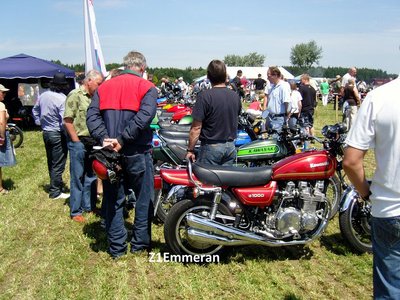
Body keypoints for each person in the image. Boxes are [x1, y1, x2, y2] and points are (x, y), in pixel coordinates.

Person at [86, 51, 157, 259]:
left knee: (113, 199)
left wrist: (105, 138)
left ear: (125, 65)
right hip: (137, 151)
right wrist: (123, 139)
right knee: (143, 199)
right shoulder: (147, 87)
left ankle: (116, 247)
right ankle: (139, 245)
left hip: (110, 154)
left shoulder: (105, 87)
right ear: (142, 69)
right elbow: (145, 117)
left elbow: (91, 116)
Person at [342, 77, 400, 299]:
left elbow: (351, 161)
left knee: (390, 289)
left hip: (390, 207)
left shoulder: (380, 96)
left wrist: (365, 192)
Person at [63, 70, 104, 223]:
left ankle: (90, 205)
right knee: (77, 176)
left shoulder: (96, 98)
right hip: (79, 141)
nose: (100, 87)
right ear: (89, 81)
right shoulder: (75, 95)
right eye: (99, 84)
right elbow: (67, 120)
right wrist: (76, 142)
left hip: (92, 142)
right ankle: (76, 211)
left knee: (92, 175)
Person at [186, 59, 241, 166]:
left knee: (207, 182)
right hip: (230, 146)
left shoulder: (204, 96)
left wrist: (190, 150)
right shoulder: (235, 96)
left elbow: (196, 128)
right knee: (225, 181)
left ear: (208, 76)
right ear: (225, 75)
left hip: (211, 146)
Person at [32, 73, 70, 200]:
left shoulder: (43, 95)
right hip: (57, 134)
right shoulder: (62, 99)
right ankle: (55, 191)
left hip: (46, 132)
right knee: (58, 163)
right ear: (63, 86)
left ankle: (54, 185)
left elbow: (35, 110)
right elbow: (64, 120)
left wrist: (39, 122)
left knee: (51, 161)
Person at [0, 84, 17, 194]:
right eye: (3, 92)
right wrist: (1, 137)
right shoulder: (0, 105)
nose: (5, 94)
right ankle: (0, 188)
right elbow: (1, 122)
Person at [263, 66, 291, 132]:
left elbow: (287, 103)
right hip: (270, 116)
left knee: (275, 139)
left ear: (275, 75)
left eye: (269, 76)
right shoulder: (272, 86)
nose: (267, 78)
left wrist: (286, 116)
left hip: (278, 118)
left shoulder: (283, 86)